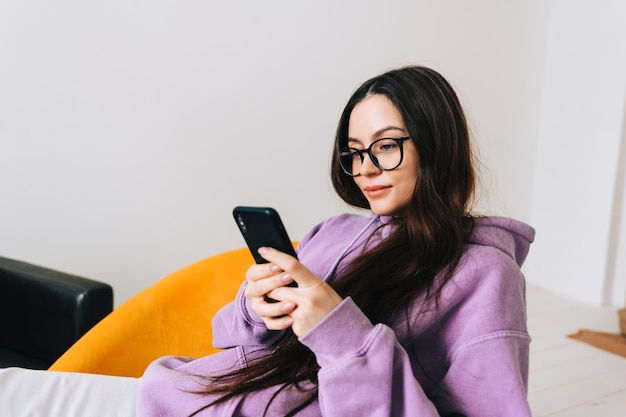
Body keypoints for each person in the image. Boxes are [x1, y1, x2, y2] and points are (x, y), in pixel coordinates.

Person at [0, 65, 534, 417]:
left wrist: (338, 330)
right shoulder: (337, 232)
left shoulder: (485, 274)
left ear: (437, 144)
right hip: (182, 397)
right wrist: (257, 310)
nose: (365, 169)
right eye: (354, 152)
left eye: (386, 146)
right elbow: (238, 346)